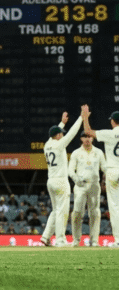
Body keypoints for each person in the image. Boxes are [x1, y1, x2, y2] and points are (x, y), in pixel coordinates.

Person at [40, 110, 83, 247]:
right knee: (62, 211)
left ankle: (46, 237)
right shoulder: (59, 145)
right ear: (57, 135)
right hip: (60, 181)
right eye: (60, 133)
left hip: (50, 181)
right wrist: (81, 118)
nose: (62, 135)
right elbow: (72, 133)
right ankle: (60, 239)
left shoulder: (47, 145)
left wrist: (62, 123)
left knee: (55, 210)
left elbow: (55, 134)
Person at [82, 106, 119, 247]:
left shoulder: (109, 133)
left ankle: (118, 240)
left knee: (115, 206)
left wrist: (85, 116)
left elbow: (88, 131)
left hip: (113, 170)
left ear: (113, 122)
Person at [68, 130, 106, 247]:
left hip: (94, 184)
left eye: (89, 136)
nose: (87, 139)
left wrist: (109, 175)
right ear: (81, 139)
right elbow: (70, 170)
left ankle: (94, 241)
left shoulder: (99, 152)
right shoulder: (76, 153)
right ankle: (76, 240)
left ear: (93, 138)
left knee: (95, 213)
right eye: (85, 137)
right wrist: (75, 178)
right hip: (80, 185)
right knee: (77, 212)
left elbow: (104, 167)